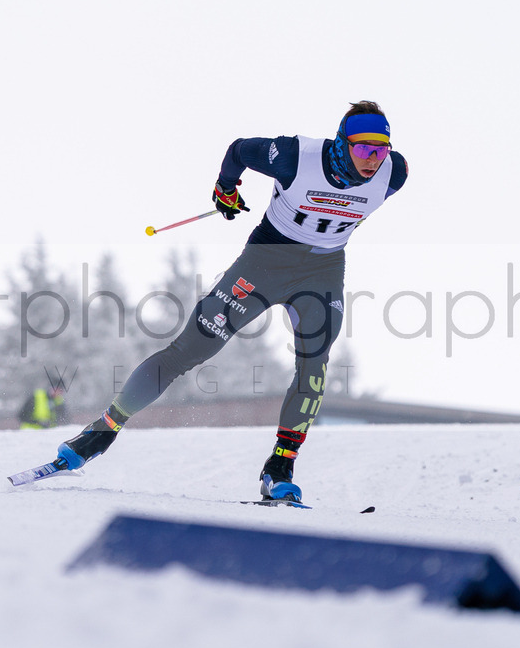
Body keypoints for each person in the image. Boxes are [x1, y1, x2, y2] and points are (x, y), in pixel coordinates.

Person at [50, 100, 408, 503]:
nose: (374, 160)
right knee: (187, 351)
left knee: (314, 365)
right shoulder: (296, 156)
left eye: (381, 149)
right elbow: (239, 149)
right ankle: (100, 432)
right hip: (265, 263)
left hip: (323, 273)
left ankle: (279, 468)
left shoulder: (396, 174)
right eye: (364, 148)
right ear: (343, 143)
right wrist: (226, 188)